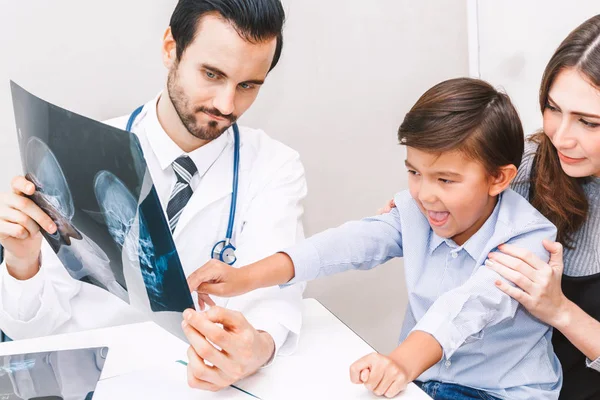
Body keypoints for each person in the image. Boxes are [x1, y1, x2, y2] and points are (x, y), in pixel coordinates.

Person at [185, 78, 563, 399]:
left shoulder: (528, 243)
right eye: (414, 172)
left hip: (501, 392)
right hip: (427, 381)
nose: (425, 194)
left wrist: (399, 361)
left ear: (499, 178)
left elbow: (463, 309)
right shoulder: (417, 212)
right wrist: (242, 277)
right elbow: (345, 244)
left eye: (445, 180)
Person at [0, 0, 307, 392]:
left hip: (195, 383)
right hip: (89, 379)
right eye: (212, 74)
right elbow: (32, 331)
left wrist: (257, 349)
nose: (226, 105)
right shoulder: (80, 149)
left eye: (248, 85)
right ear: (170, 49)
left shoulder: (274, 168)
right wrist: (22, 261)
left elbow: (274, 299)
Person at [480, 14, 600, 400]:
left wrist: (560, 310)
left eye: (588, 122)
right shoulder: (526, 167)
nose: (561, 136)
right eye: (553, 108)